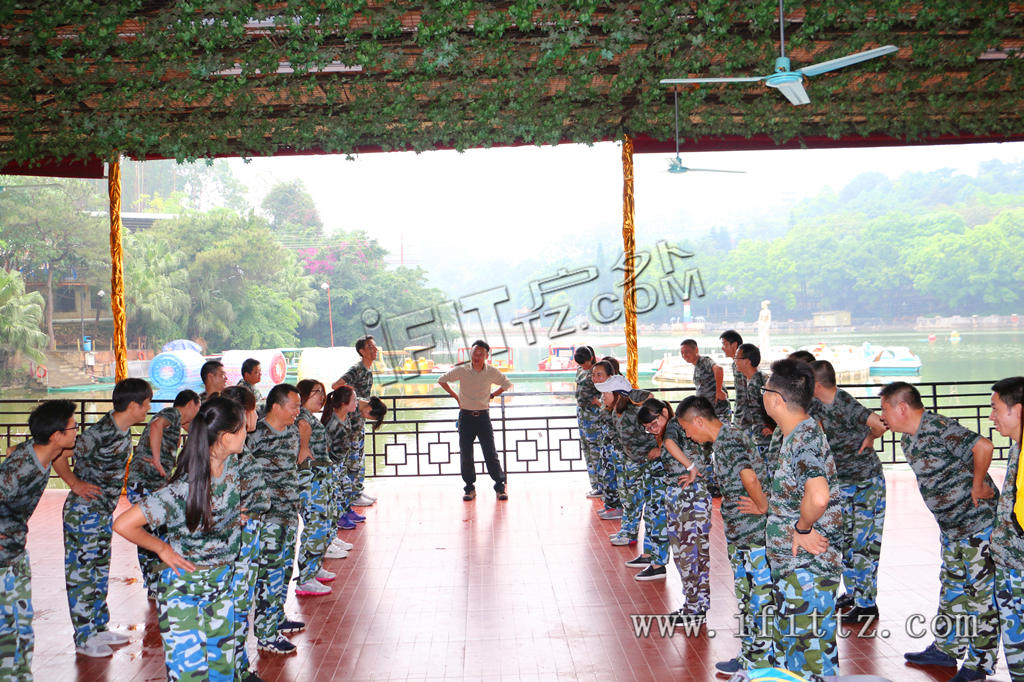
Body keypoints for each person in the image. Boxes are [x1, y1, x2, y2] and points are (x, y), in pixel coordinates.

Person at [113, 397, 246, 682]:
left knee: (223, 673)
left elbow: (222, 504)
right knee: (190, 676)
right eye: (243, 428)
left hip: (222, 585)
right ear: (226, 437)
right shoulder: (182, 489)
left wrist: (234, 517)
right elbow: (124, 524)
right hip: (185, 591)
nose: (247, 433)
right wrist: (162, 549)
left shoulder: (232, 465)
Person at [880, 381, 999, 682]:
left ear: (901, 408)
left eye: (884, 409)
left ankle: (979, 665)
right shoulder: (908, 439)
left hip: (978, 526)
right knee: (953, 589)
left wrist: (977, 484)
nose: (882, 416)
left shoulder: (938, 427)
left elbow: (983, 445)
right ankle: (947, 649)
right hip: (952, 527)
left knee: (981, 596)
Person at [54, 377, 152, 658]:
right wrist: (74, 483)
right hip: (83, 513)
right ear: (133, 405)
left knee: (98, 573)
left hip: (101, 514)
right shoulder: (99, 434)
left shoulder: (121, 431)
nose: (147, 410)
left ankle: (98, 627)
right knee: (82, 575)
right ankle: (84, 637)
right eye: (145, 405)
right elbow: (57, 453)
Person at [675, 394, 771, 675]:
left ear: (699, 421)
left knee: (759, 596)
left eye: (686, 428)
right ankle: (750, 656)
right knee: (747, 596)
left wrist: (764, 506)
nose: (688, 435)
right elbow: (732, 471)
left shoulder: (728, 439)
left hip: (753, 534)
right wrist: (699, 473)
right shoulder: (724, 439)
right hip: (740, 532)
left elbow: (749, 476)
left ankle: (762, 663)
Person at [759, 359, 843, 681]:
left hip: (807, 570)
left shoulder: (805, 437)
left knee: (813, 657)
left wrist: (801, 529)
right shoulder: (794, 434)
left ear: (776, 399)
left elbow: (818, 496)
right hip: (794, 570)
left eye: (765, 390)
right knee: (793, 654)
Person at [0, 400, 78, 680]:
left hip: (16, 552)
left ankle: (22, 676)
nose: (76, 431)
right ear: (56, 436)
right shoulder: (21, 470)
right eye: (73, 427)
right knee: (5, 630)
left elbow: (13, 450)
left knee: (22, 624)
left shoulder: (40, 454)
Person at [809, 360, 887, 625]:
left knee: (865, 543)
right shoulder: (817, 404)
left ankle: (867, 605)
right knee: (845, 542)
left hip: (866, 481)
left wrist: (870, 438)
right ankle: (853, 594)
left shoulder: (845, 402)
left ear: (818, 384)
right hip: (842, 481)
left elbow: (880, 423)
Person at [125, 388, 200, 599]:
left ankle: (156, 583)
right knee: (149, 532)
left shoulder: (178, 423)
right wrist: (157, 459)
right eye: (198, 407)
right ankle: (153, 584)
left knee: (156, 532)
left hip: (154, 483)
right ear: (191, 404)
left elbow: (192, 430)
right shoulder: (172, 413)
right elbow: (157, 425)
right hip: (145, 481)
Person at [638, 397, 710, 617]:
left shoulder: (673, 425)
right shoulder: (677, 426)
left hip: (686, 496)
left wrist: (691, 468)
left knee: (687, 554)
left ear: (663, 412)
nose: (653, 430)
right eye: (648, 429)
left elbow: (670, 444)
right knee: (697, 554)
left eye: (653, 424)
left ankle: (694, 608)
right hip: (691, 494)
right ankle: (698, 605)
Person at [248, 383, 303, 655]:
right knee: (268, 573)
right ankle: (266, 634)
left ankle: (277, 616)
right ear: (277, 406)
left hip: (288, 512)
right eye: (294, 406)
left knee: (283, 570)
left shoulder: (292, 430)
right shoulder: (254, 434)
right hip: (266, 516)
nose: (298, 411)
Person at [220, 384, 270, 682]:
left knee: (239, 608)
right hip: (235, 544)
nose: (257, 415)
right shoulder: (227, 452)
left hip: (246, 541)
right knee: (234, 608)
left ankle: (238, 666)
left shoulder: (239, 448)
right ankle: (233, 670)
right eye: (255, 408)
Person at [595, 375, 667, 580]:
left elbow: (656, 411)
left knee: (654, 512)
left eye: (605, 393)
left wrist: (660, 448)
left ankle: (657, 562)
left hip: (650, 464)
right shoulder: (616, 411)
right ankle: (648, 555)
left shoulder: (635, 409)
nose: (602, 397)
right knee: (650, 512)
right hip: (637, 463)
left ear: (617, 394)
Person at [438, 339, 513, 501]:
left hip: (483, 418)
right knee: (466, 454)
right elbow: (442, 380)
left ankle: (500, 486)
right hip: (465, 417)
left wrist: (493, 394)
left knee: (490, 453)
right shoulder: (462, 370)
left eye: (481, 354)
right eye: (474, 353)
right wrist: (456, 397)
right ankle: (469, 487)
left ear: (487, 355)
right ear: (470, 354)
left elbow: (507, 384)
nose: (477, 356)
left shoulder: (491, 371)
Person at [988, 376, 1024, 682]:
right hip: (1010, 566)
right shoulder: (1017, 445)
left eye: (996, 408)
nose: (991, 416)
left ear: (1019, 411)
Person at [294, 379, 338, 597]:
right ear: (302, 395)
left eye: (322, 392)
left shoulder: (310, 417)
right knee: (316, 527)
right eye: (315, 392)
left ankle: (314, 567)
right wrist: (303, 446)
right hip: (311, 481)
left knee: (324, 524)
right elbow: (302, 448)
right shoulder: (302, 419)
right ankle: (305, 579)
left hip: (320, 478)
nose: (321, 397)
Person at [332, 335, 378, 506]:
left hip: (360, 421)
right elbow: (336, 386)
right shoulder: (357, 369)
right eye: (370, 347)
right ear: (362, 351)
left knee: (359, 456)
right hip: (351, 422)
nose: (375, 350)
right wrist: (356, 401)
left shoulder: (367, 370)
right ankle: (351, 495)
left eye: (375, 347)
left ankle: (358, 489)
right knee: (351, 458)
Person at [322, 387, 358, 546]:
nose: (357, 403)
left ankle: (333, 536)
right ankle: (329, 541)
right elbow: (326, 449)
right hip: (332, 467)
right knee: (332, 503)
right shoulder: (333, 424)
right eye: (354, 400)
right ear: (344, 403)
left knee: (342, 495)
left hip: (340, 466)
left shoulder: (346, 418)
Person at [590, 359, 623, 520]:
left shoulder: (617, 393)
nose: (595, 378)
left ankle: (617, 507)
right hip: (607, 441)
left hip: (616, 445)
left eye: (599, 375)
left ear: (610, 376)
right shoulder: (605, 393)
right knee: (606, 475)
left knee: (614, 476)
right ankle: (610, 505)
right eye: (593, 375)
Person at [574, 345, 604, 500]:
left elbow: (608, 393)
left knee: (596, 451)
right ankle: (594, 485)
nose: (582, 366)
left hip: (594, 416)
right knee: (586, 449)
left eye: (584, 362)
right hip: (582, 414)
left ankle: (602, 486)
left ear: (591, 358)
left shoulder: (598, 372)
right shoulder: (580, 370)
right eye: (580, 363)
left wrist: (598, 402)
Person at [720, 329, 746, 424]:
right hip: (741, 414)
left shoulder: (743, 364)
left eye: (724, 344)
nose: (722, 348)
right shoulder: (735, 364)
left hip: (747, 417)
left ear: (734, 345)